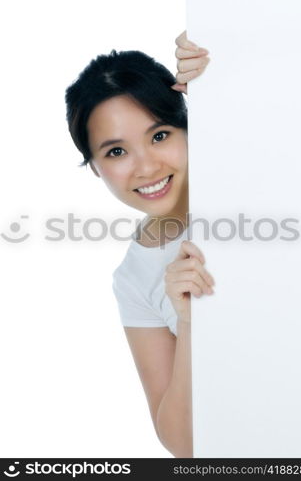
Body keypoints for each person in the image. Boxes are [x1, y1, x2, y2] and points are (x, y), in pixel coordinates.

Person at [65, 30, 215, 458]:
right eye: (115, 152)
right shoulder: (135, 279)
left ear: (188, 127)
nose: (147, 167)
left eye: (160, 135)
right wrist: (189, 322)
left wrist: (228, 58)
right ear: (94, 169)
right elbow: (183, 445)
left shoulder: (248, 180)